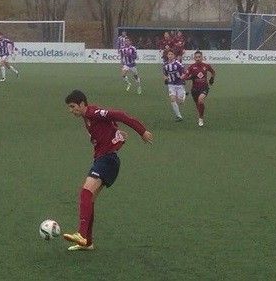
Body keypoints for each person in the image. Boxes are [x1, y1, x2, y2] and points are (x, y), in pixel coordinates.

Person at [62, 90, 154, 251]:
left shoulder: (94, 112)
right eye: (69, 108)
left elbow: (119, 115)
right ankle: (87, 242)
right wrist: (116, 135)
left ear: (82, 104)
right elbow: (108, 129)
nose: (71, 110)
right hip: (103, 159)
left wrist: (142, 131)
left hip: (107, 160)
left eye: (73, 106)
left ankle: (82, 234)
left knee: (86, 192)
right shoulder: (87, 117)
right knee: (88, 199)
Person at [181, 51, 216, 127]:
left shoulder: (206, 66)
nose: (198, 59)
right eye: (196, 57)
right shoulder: (191, 67)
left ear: (202, 57)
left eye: (199, 57)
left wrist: (212, 78)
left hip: (204, 87)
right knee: (198, 105)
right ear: (194, 58)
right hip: (194, 89)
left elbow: (213, 72)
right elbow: (186, 76)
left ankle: (201, 118)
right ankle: (200, 115)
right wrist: (185, 77)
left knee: (200, 100)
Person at [163, 50, 186, 121]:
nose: (170, 56)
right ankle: (179, 116)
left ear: (174, 56)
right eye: (169, 54)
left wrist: (183, 78)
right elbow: (165, 74)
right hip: (171, 84)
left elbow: (184, 73)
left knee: (180, 101)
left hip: (179, 84)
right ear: (167, 55)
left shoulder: (178, 64)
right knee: (172, 99)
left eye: (171, 54)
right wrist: (166, 79)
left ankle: (184, 93)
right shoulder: (165, 65)